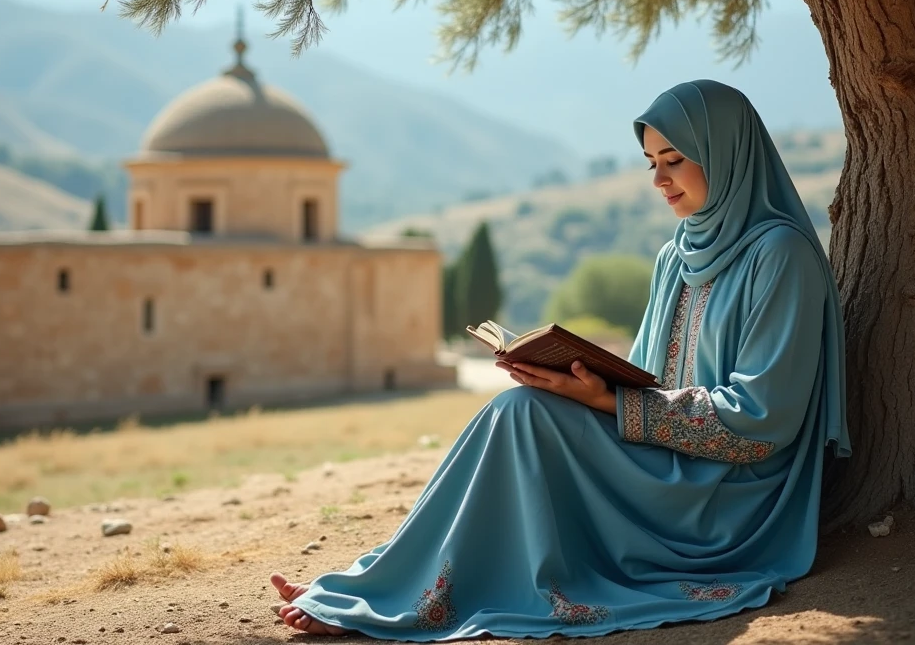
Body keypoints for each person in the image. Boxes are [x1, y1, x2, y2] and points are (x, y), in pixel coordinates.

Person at [270, 78, 851, 639]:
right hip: (664, 460)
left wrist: (606, 400)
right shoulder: (676, 255)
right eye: (652, 163)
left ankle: (402, 594)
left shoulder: (782, 256)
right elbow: (644, 381)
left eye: (674, 159)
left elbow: (764, 421)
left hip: (729, 497)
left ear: (726, 152)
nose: (659, 180)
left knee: (521, 417)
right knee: (521, 408)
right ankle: (387, 582)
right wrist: (577, 381)